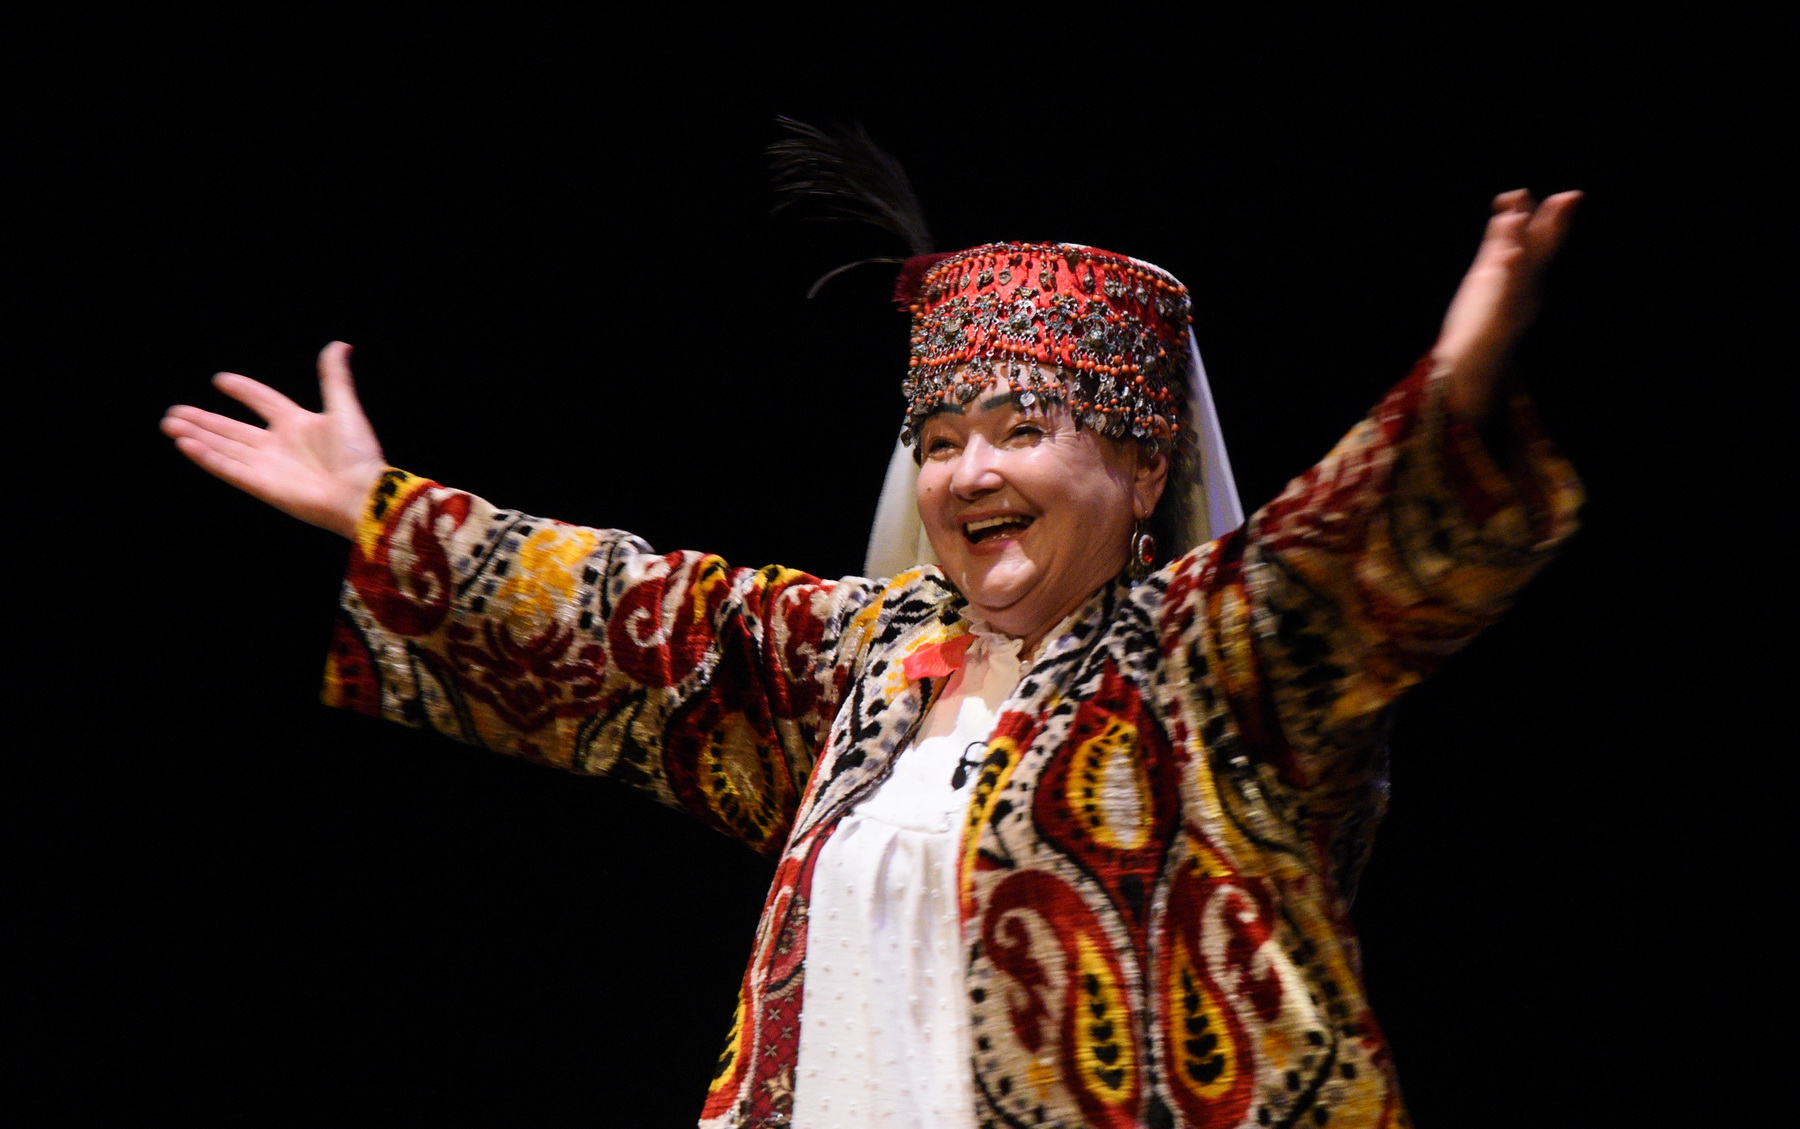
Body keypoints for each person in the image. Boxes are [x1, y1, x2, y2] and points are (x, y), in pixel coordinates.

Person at [161, 189, 1582, 1128]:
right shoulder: (871, 652)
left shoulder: (1206, 660)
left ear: (1145, 466)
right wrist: (383, 509)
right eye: (942, 438)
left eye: (1021, 429)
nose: (970, 473)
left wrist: (1455, 387)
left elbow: (1335, 561)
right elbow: (634, 615)